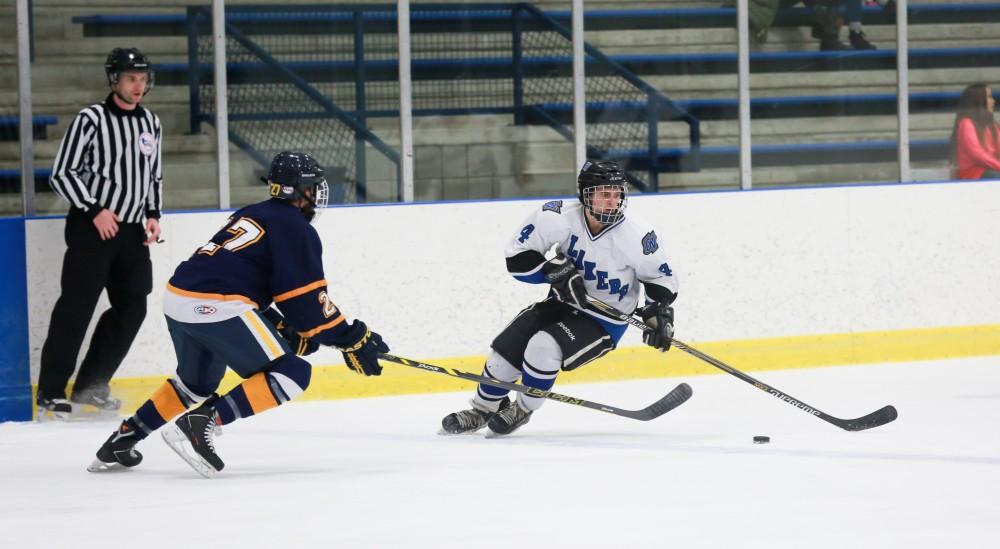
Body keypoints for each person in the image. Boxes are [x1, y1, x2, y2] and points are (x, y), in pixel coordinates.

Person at [87, 151, 390, 477]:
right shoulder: (295, 228)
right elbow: (305, 303)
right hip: (217, 304)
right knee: (292, 373)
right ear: (298, 190)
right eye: (312, 187)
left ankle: (123, 438)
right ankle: (201, 422)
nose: (316, 194)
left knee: (196, 383)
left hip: (180, 298)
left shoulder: (254, 213)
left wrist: (281, 326)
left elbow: (246, 276)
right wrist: (351, 338)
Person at [440, 160, 679, 437]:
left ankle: (522, 408)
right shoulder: (557, 216)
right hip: (561, 303)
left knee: (543, 347)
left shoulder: (639, 235)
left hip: (605, 319)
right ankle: (482, 409)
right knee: (504, 352)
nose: (612, 202)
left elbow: (661, 279)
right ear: (585, 195)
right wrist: (554, 272)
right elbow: (517, 258)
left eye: (617, 193)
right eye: (604, 194)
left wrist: (657, 312)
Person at [36, 47, 163, 420]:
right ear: (114, 80)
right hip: (93, 227)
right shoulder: (91, 119)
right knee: (76, 307)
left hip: (133, 232)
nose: (138, 85)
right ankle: (51, 391)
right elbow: (62, 173)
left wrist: (153, 212)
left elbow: (153, 175)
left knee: (132, 307)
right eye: (130, 78)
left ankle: (91, 384)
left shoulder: (151, 123)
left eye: (142, 78)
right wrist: (94, 209)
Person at [951, 83, 1000, 180]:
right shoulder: (966, 124)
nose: (993, 101)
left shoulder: (992, 125)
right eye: (989, 97)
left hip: (991, 170)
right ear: (979, 101)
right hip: (973, 175)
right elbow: (978, 155)